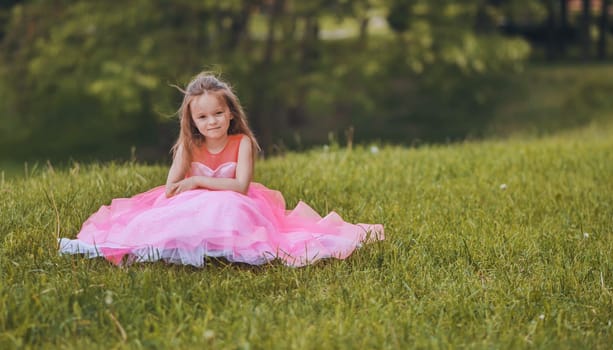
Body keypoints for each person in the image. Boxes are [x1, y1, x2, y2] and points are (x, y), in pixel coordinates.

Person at [58, 72, 384, 267]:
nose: (211, 122)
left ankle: (224, 247)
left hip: (234, 200)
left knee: (227, 207)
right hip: (191, 202)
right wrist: (185, 164)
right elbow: (171, 187)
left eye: (217, 114)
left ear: (230, 113)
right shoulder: (189, 145)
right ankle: (187, 245)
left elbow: (241, 186)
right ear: (192, 120)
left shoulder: (241, 142)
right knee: (168, 217)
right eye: (202, 117)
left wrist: (198, 180)